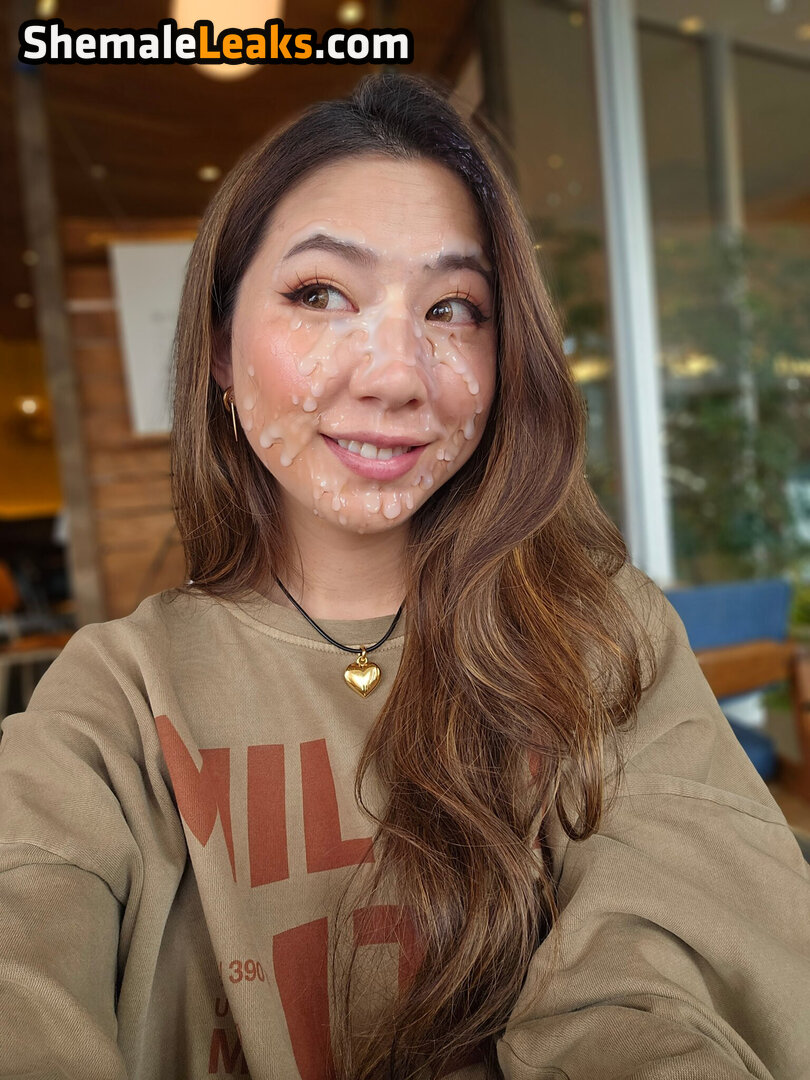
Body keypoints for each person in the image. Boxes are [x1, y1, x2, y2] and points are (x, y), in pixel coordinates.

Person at [0, 72, 808, 1080]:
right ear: (218, 349)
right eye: (320, 295)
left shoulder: (607, 639)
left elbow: (660, 981)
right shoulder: (118, 695)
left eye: (455, 308)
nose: (395, 375)